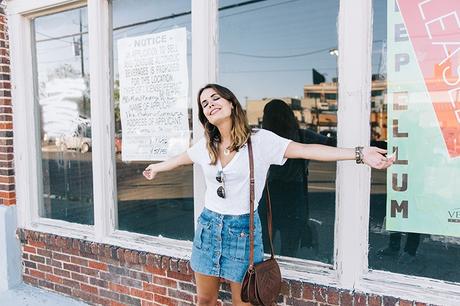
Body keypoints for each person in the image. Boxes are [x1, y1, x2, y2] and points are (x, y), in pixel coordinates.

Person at [143, 84, 394, 306]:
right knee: (205, 300)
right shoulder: (206, 145)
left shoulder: (260, 141)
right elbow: (181, 158)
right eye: (205, 104)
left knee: (244, 302)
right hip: (208, 228)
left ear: (231, 102)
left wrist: (360, 154)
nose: (210, 105)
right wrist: (157, 167)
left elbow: (306, 149)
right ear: (204, 115)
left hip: (242, 231)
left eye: (216, 98)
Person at [259, 99, 336, 258]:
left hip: (270, 194)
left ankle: (264, 277)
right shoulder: (302, 135)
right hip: (295, 196)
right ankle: (285, 277)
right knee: (289, 248)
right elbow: (331, 144)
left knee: (264, 247)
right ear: (290, 115)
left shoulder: (264, 138)